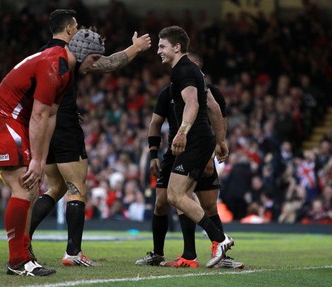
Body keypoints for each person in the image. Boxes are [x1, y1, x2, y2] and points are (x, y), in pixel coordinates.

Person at [0, 10, 104, 276]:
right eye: (94, 58)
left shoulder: (66, 72)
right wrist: (36, 160)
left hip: (12, 122)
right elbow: (38, 114)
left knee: (31, 189)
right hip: (4, 120)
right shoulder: (55, 64)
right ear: (82, 52)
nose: (95, 65)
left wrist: (41, 156)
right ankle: (17, 261)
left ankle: (23, 257)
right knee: (24, 189)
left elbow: (50, 117)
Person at [28, 10, 151, 267]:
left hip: (44, 129)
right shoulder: (70, 54)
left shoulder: (42, 53)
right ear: (69, 29)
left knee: (56, 187)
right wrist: (136, 48)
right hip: (64, 127)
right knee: (77, 188)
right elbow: (107, 64)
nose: (78, 29)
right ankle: (73, 253)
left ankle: (22, 239)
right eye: (75, 26)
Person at [136, 52, 243, 268]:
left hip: (200, 150)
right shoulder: (169, 93)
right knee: (163, 202)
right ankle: (164, 253)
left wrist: (212, 153)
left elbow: (219, 119)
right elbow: (154, 124)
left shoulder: (210, 93)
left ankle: (212, 251)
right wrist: (154, 155)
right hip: (175, 152)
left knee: (208, 205)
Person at [154, 26, 233, 268]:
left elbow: (192, 104)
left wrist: (182, 132)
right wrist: (220, 140)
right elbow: (214, 108)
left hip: (194, 139)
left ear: (177, 47)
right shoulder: (195, 72)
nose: (158, 51)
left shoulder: (183, 70)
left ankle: (219, 239)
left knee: (175, 195)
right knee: (179, 196)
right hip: (203, 139)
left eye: (162, 46)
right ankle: (196, 252)